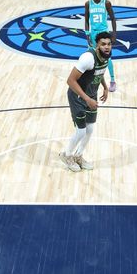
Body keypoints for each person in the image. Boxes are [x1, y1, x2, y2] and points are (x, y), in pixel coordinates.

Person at [59, 31, 111, 172]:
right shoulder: (88, 58)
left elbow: (99, 73)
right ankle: (67, 155)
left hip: (91, 96)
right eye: (103, 44)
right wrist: (87, 99)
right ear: (97, 45)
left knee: (90, 129)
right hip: (78, 97)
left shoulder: (106, 57)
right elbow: (70, 81)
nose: (106, 47)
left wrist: (105, 87)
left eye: (109, 44)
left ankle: (78, 155)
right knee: (81, 131)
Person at [84, 0, 117, 92]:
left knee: (108, 57)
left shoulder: (106, 3)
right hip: (93, 33)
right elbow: (86, 20)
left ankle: (112, 80)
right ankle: (90, 78)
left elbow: (113, 18)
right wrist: (87, 34)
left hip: (103, 33)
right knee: (92, 55)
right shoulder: (88, 4)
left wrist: (114, 33)